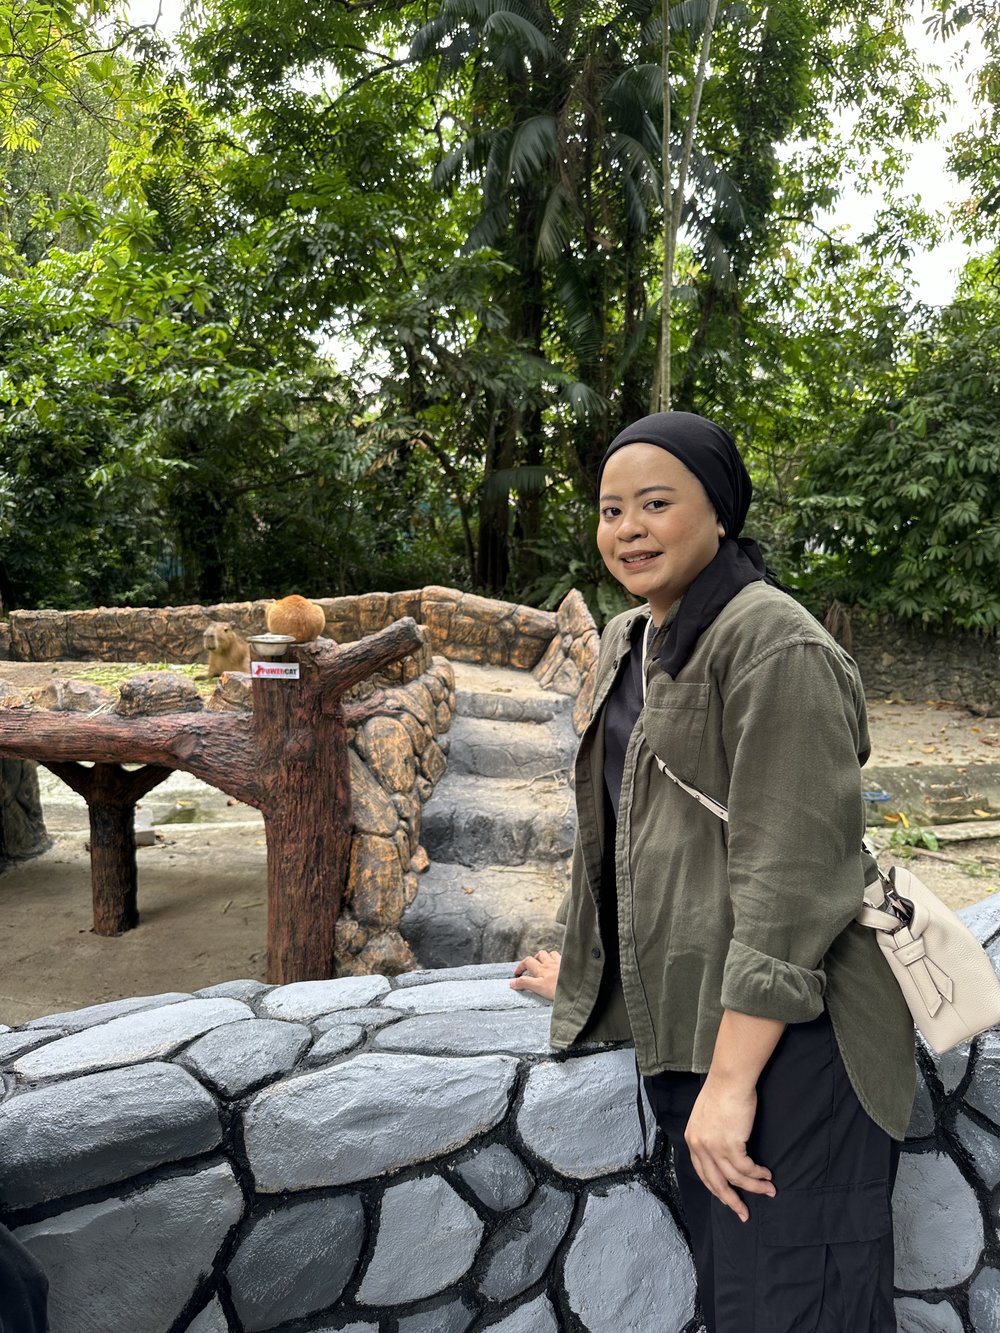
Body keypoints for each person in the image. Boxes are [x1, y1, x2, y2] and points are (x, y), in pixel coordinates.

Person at [512, 412, 915, 1333]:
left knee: (796, 1311)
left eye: (657, 504)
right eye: (611, 509)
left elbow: (792, 879)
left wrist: (732, 1086)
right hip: (698, 1031)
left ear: (720, 512)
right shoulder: (631, 639)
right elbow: (627, 837)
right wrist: (588, 973)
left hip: (797, 1048)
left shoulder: (774, 644)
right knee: (742, 1306)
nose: (629, 529)